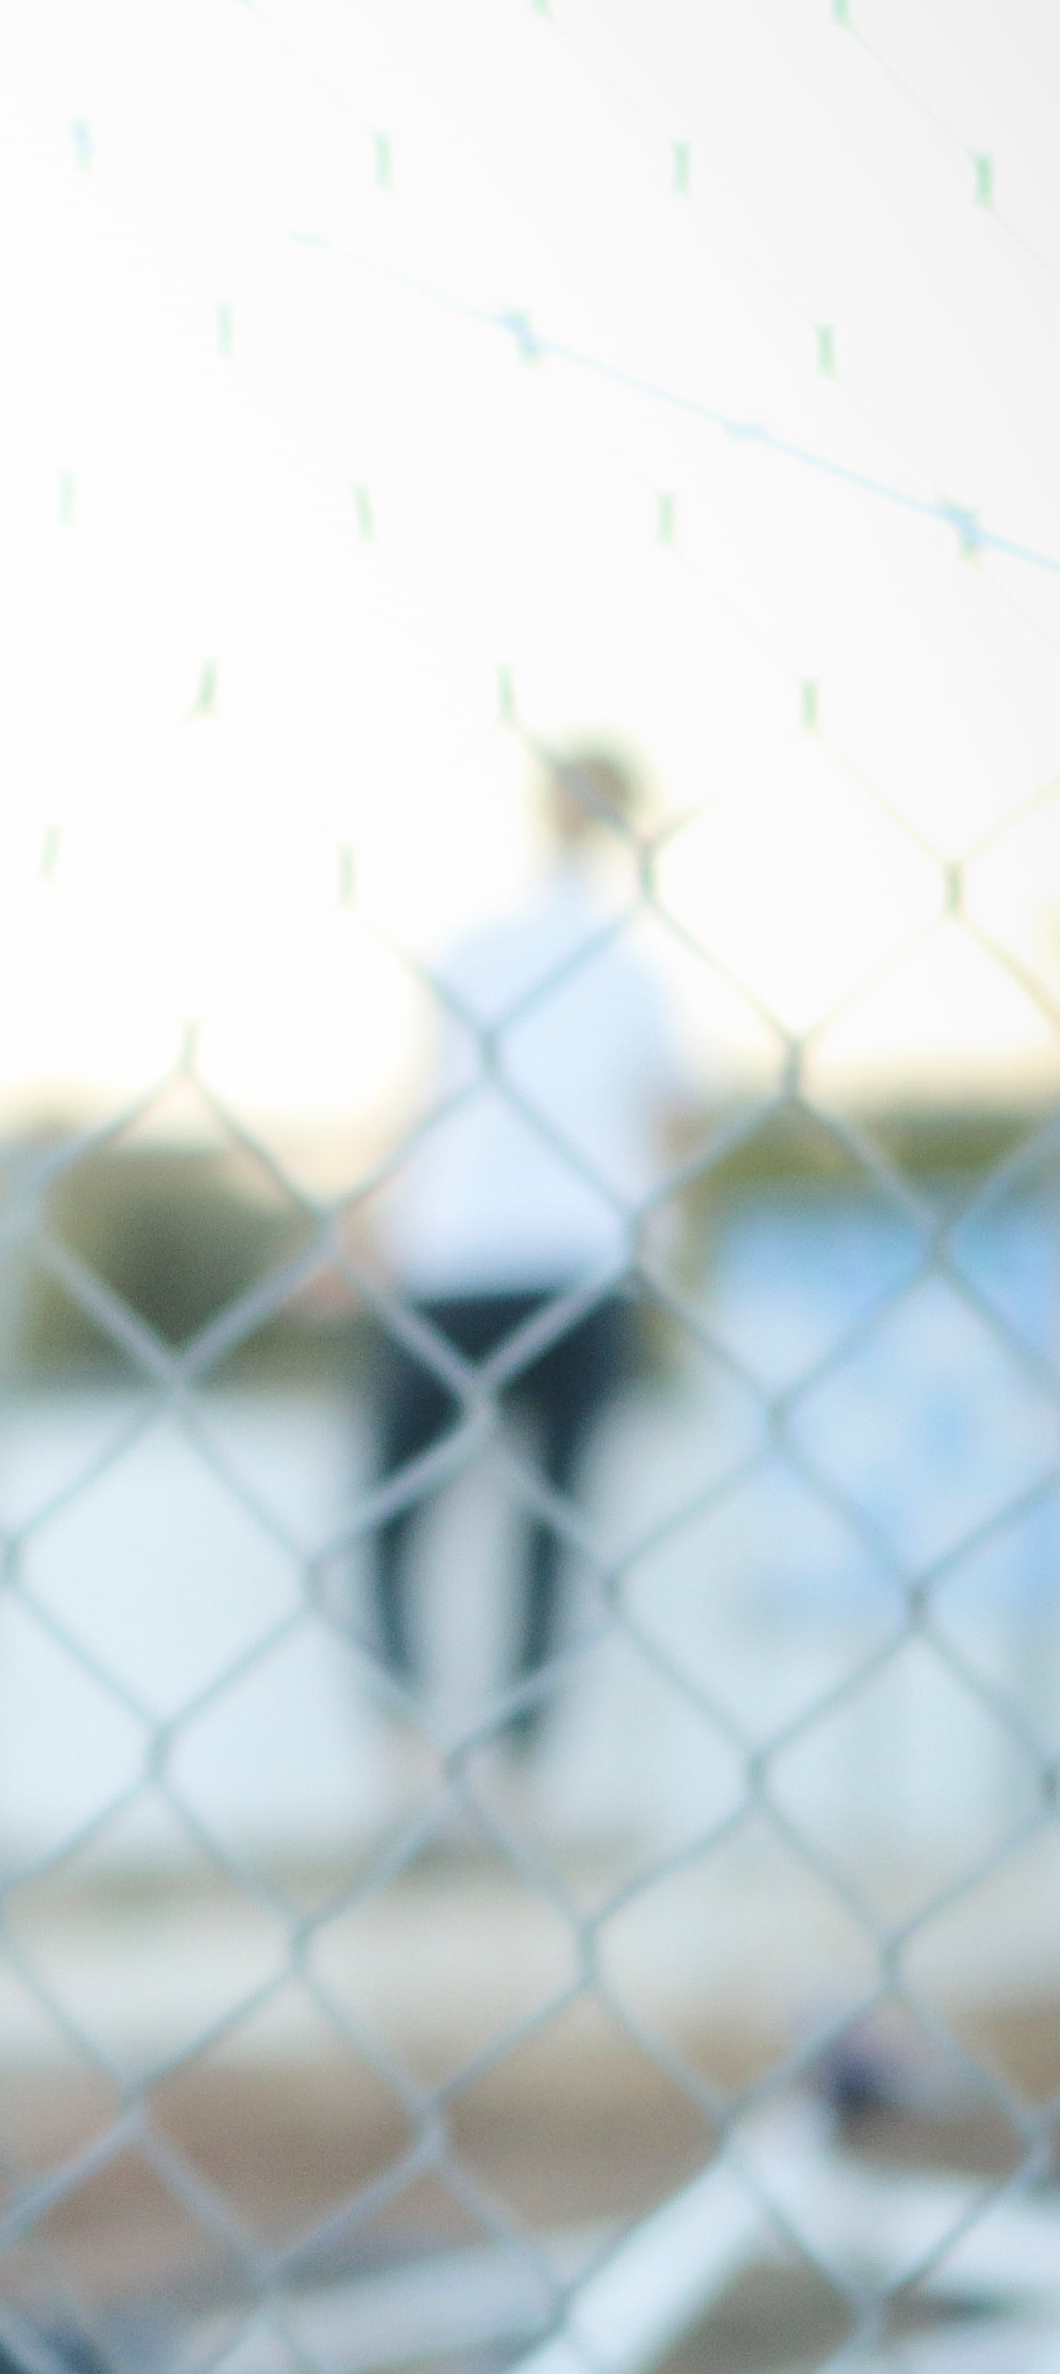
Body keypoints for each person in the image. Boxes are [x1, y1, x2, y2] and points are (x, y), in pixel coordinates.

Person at [356, 744, 697, 1789]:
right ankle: (517, 1763)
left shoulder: (483, 952)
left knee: (391, 1514)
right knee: (548, 1527)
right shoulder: (634, 973)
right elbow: (666, 1128)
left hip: (457, 1257)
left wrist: (371, 1229)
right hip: (578, 1263)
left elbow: (423, 1102)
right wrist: (670, 1261)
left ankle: (411, 1740)